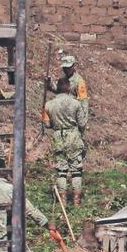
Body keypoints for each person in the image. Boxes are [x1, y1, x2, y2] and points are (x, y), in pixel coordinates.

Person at [42, 77, 88, 205]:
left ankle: (62, 201)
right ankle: (76, 202)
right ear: (68, 88)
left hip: (58, 138)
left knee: (61, 171)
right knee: (76, 170)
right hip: (73, 136)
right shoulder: (76, 103)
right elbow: (83, 122)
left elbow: (46, 124)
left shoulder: (48, 105)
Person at [48, 55, 89, 119]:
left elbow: (83, 102)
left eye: (69, 67)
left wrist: (83, 120)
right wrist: (50, 84)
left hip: (73, 115)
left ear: (73, 66)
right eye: (65, 68)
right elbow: (58, 91)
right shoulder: (63, 79)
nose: (67, 70)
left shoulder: (79, 82)